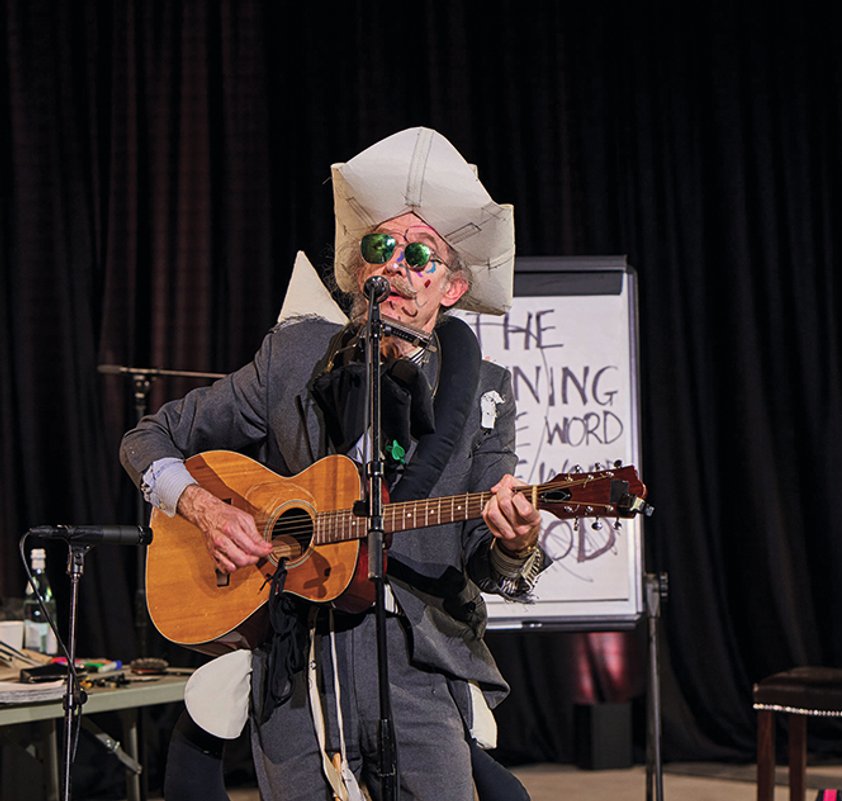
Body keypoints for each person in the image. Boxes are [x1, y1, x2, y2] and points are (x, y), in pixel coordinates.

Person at [121, 127, 545, 800]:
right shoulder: (292, 357)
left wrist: (515, 542)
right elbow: (149, 436)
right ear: (357, 270)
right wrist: (201, 505)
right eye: (379, 247)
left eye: (419, 254)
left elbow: (480, 556)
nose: (394, 267)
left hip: (418, 671)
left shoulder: (486, 390)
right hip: (296, 667)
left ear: (454, 286)